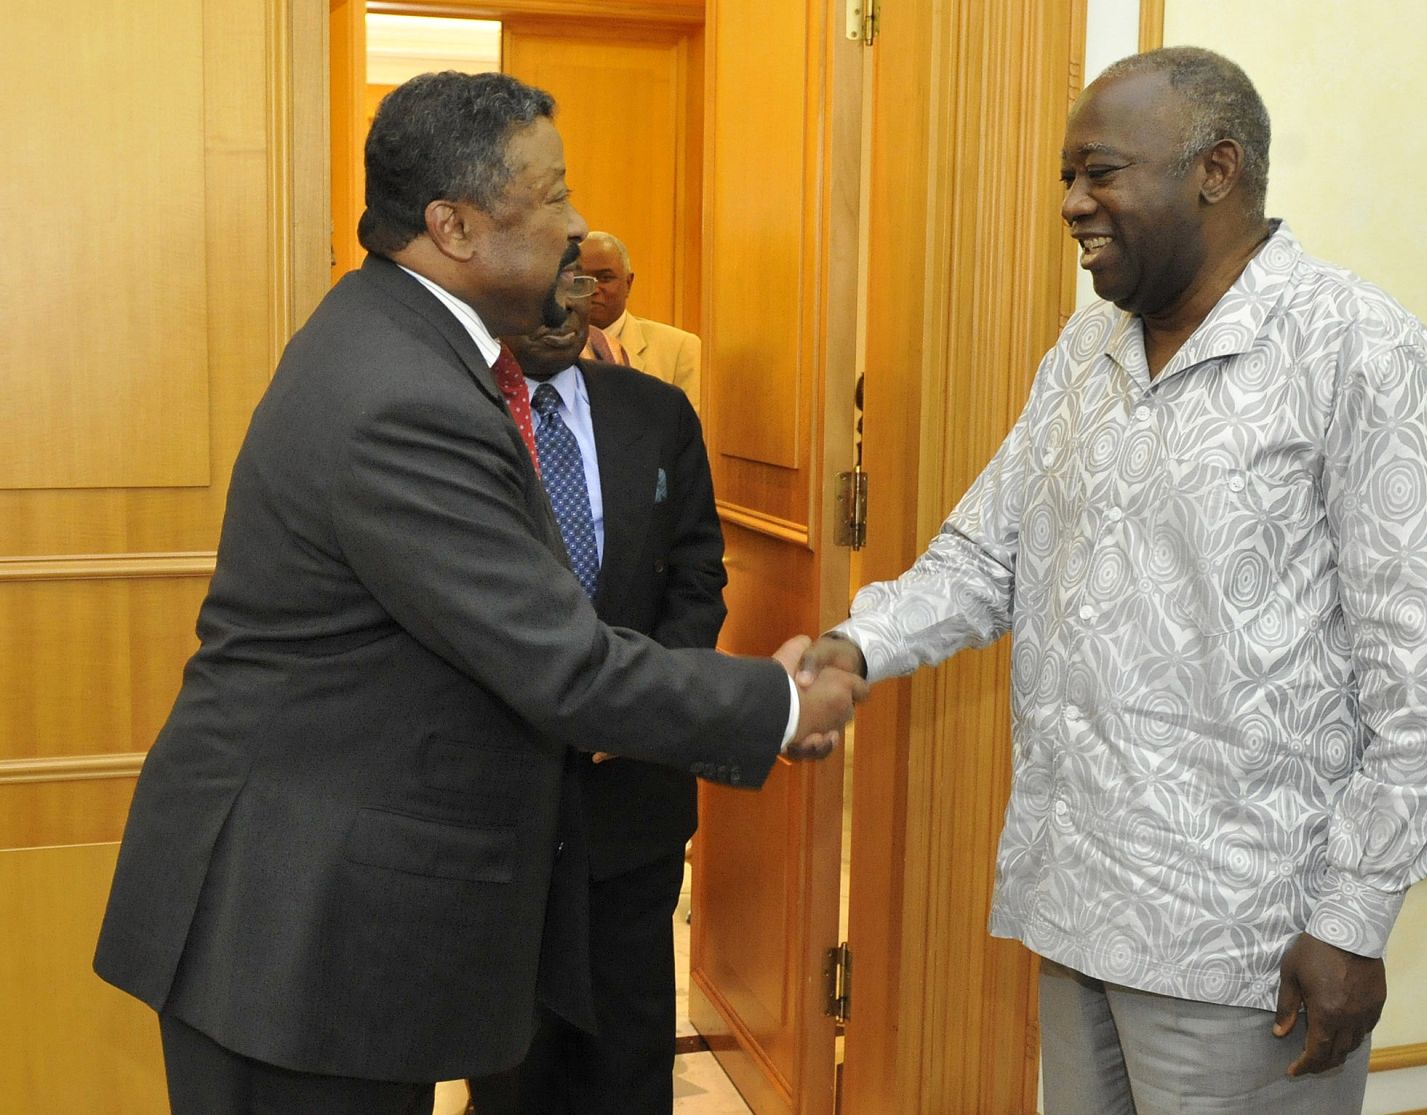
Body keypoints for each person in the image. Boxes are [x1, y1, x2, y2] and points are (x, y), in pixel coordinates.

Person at [92, 71, 864, 1115]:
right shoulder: (404, 394)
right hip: (291, 928)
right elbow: (562, 662)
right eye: (552, 195)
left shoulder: (397, 339)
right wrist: (777, 701)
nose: (576, 225)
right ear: (452, 225)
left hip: (319, 908)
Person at [798, 47, 1427, 1114]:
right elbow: (988, 553)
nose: (1072, 204)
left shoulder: (1360, 352)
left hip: (1250, 950)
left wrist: (1353, 919)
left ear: (1216, 169)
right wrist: (857, 645)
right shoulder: (1085, 352)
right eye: (1066, 177)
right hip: (1076, 906)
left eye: (1100, 172)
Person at [466, 291, 721, 1113]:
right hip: (500, 791)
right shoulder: (451, 410)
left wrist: (644, 700)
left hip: (632, 790)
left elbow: (698, 576)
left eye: (577, 278)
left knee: (629, 1044)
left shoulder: (657, 410)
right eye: (547, 276)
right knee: (515, 1055)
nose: (563, 302)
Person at [579, 230, 702, 412]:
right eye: (581, 279)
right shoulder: (549, 348)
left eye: (605, 278)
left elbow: (689, 424)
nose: (593, 289)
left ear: (628, 283)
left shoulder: (679, 348)